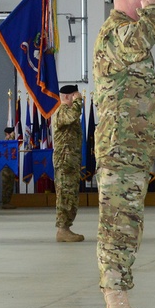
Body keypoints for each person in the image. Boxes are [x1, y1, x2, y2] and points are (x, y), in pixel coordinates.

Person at [93, 0, 155, 308]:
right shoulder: (117, 33)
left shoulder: (125, 31)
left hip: (132, 151)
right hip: (119, 151)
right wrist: (154, 11)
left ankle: (118, 307)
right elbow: (142, 38)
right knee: (118, 229)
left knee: (127, 227)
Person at [53, 84, 86, 243]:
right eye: (75, 95)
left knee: (71, 195)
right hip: (65, 161)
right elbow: (73, 115)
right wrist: (79, 102)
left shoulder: (68, 111)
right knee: (65, 195)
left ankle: (66, 228)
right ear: (67, 97)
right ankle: (62, 230)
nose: (78, 97)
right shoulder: (63, 111)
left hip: (70, 161)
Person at [0, 127, 17, 209]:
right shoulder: (5, 143)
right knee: (6, 185)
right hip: (6, 168)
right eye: (11, 133)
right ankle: (5, 202)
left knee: (10, 185)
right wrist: (11, 138)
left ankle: (8, 201)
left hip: (11, 167)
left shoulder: (11, 142)